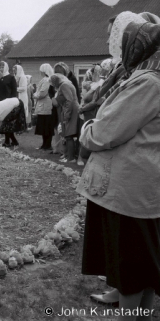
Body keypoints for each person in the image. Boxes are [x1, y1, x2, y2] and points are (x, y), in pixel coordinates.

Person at [78, 17, 160, 316]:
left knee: (131, 269)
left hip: (129, 190)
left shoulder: (147, 82)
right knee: (144, 267)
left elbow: (105, 132)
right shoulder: (152, 78)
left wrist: (87, 127)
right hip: (142, 186)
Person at [50, 74, 80, 164]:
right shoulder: (65, 84)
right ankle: (68, 156)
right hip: (69, 109)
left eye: (52, 83)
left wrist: (67, 114)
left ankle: (71, 158)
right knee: (66, 134)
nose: (52, 86)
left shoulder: (64, 85)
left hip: (71, 110)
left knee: (68, 134)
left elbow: (69, 100)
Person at [34, 64, 55, 150]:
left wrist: (35, 95)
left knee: (47, 126)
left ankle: (47, 144)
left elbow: (42, 93)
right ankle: (44, 144)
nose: (40, 72)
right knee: (44, 126)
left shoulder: (47, 80)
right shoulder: (45, 79)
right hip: (43, 105)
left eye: (41, 71)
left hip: (46, 105)